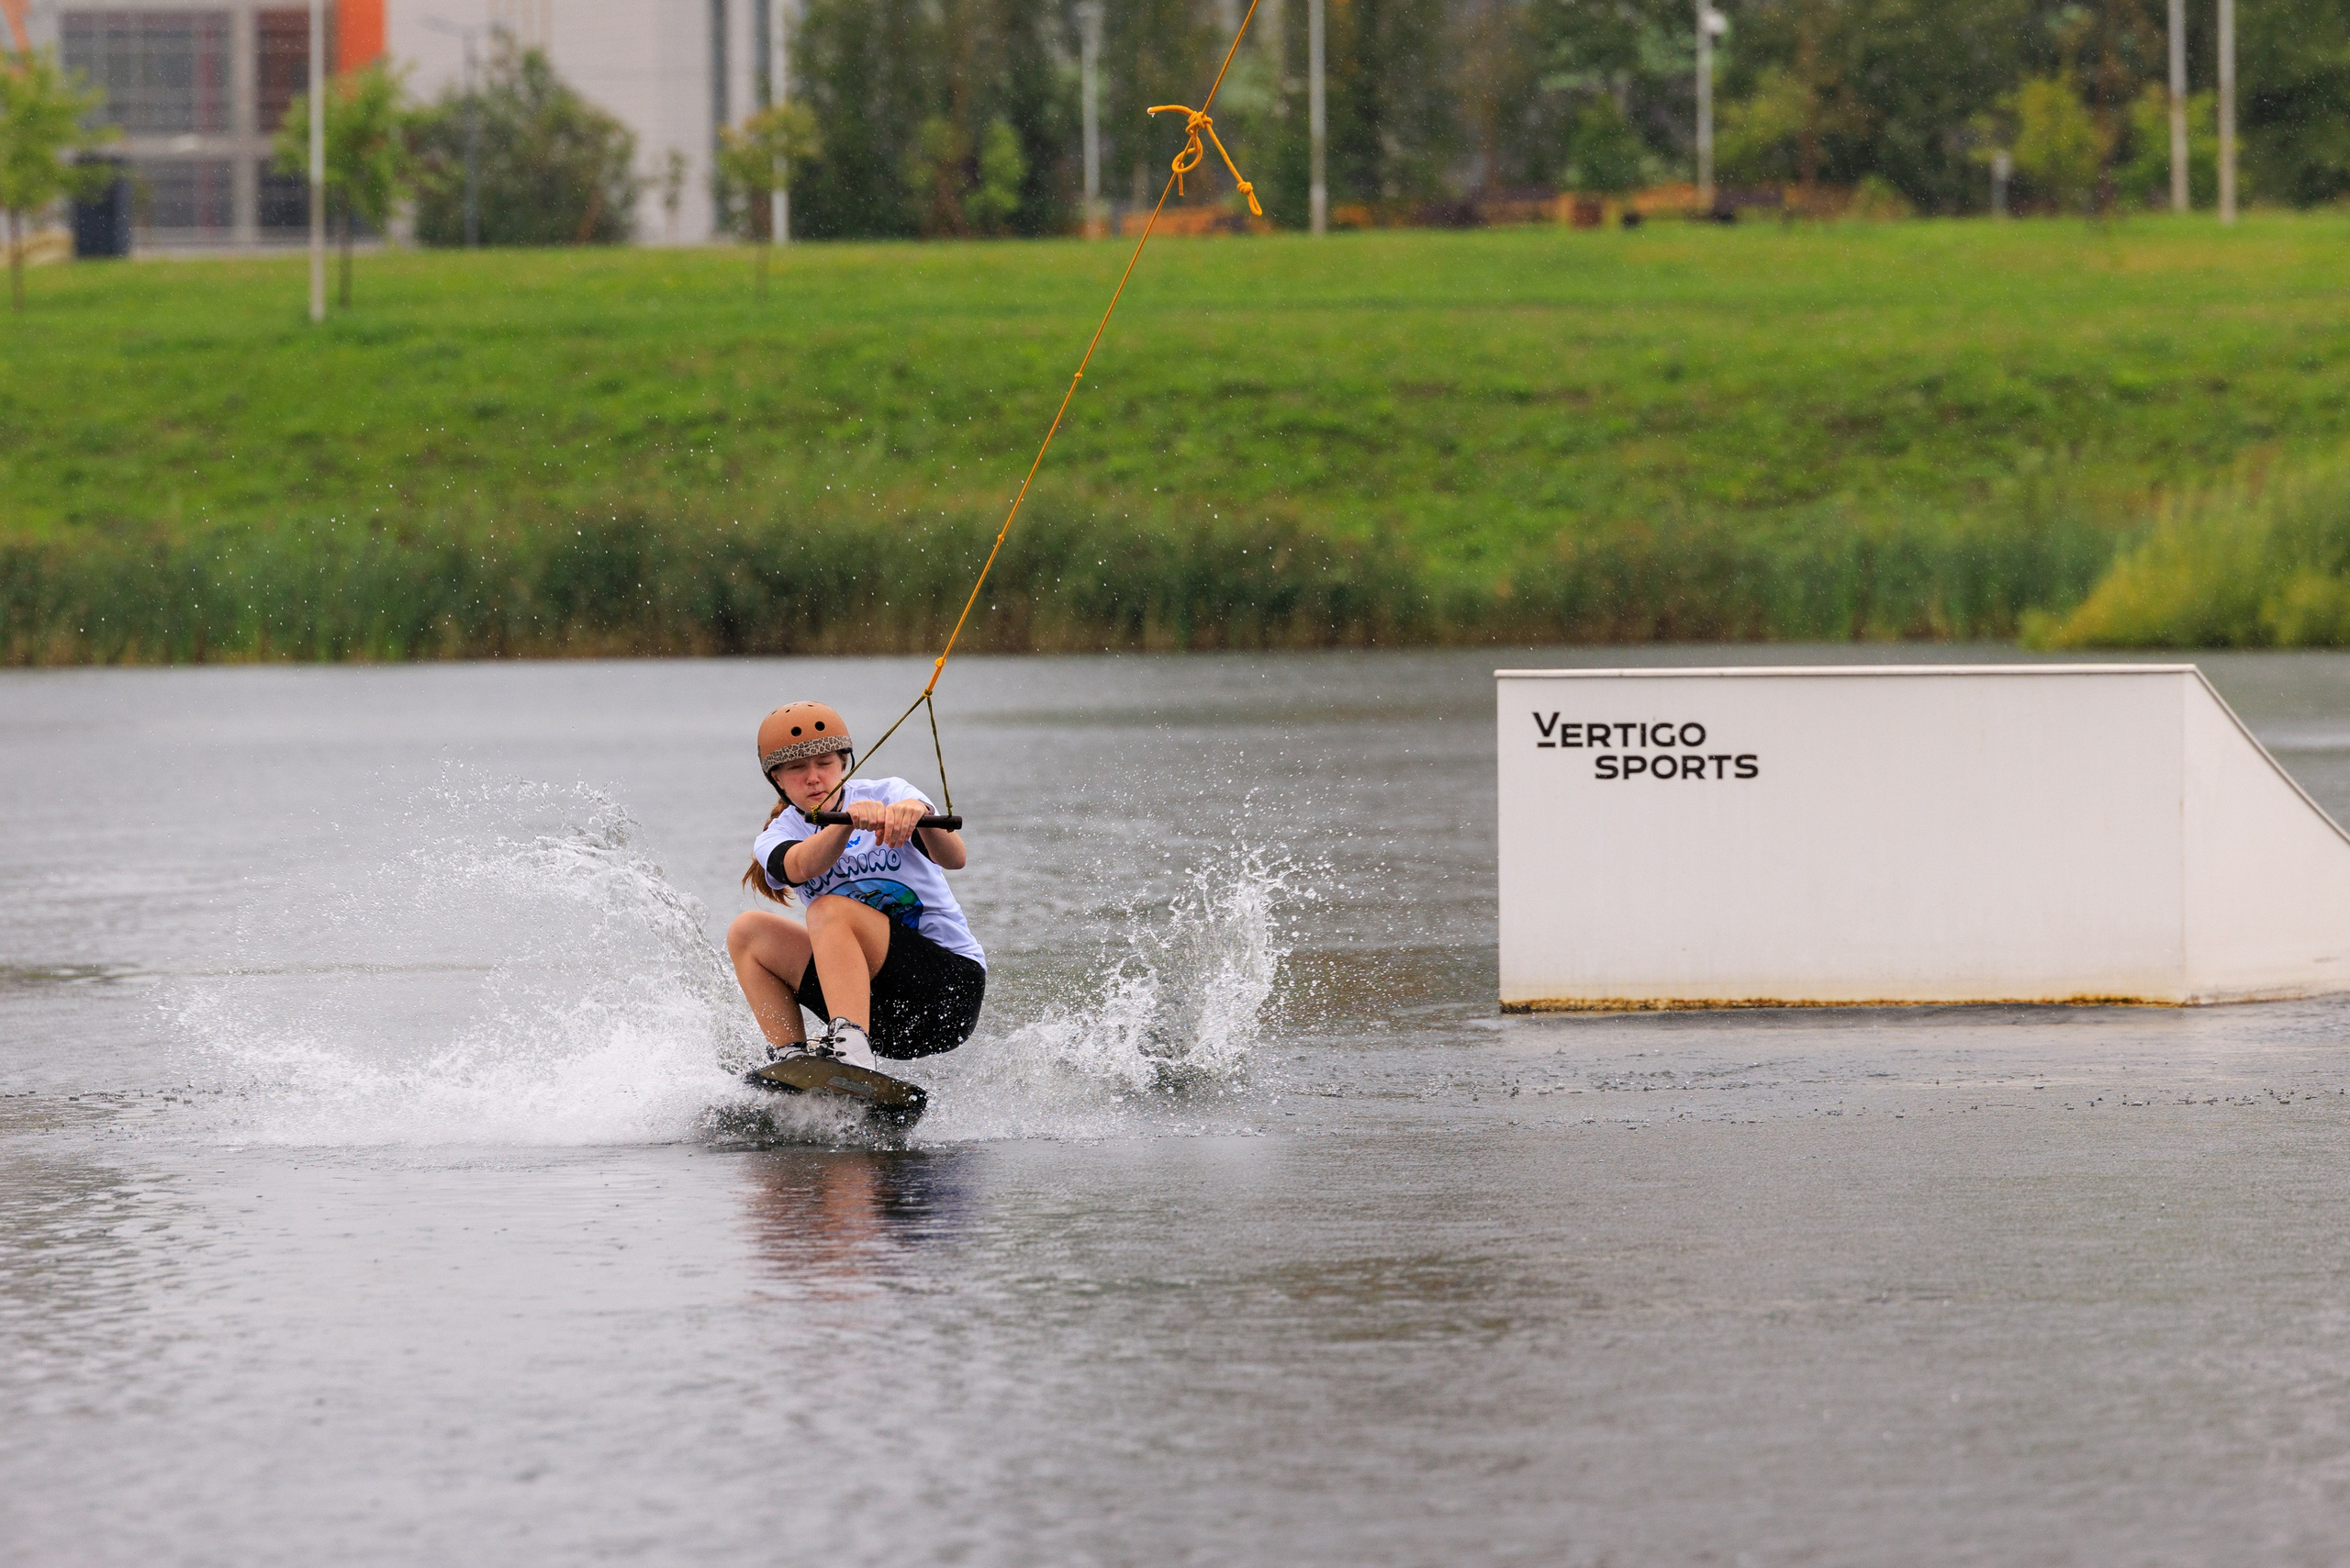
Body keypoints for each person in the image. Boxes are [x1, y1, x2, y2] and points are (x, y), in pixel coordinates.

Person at [728, 701, 986, 1074]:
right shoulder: (777, 835)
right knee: (747, 932)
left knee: (828, 910)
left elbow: (955, 858)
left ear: (844, 764)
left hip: (947, 993)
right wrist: (845, 825)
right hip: (878, 1011)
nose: (813, 777)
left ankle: (849, 1049)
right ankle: (793, 1061)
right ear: (777, 780)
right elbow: (799, 865)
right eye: (797, 768)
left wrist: (920, 816)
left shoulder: (890, 793)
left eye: (825, 764)